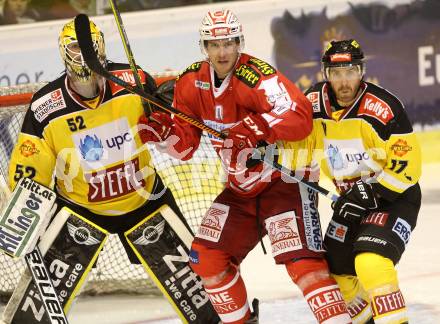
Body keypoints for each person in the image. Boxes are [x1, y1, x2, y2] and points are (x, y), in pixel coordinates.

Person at [138, 9, 352, 324]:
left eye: (228, 43)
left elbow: (300, 117)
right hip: (241, 192)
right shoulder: (189, 84)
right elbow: (184, 148)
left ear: (240, 43)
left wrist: (252, 129)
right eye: (214, 44)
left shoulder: (258, 77)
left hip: (285, 183)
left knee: (303, 265)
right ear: (204, 47)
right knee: (207, 258)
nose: (222, 51)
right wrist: (161, 133)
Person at [7, 17, 218, 323]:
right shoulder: (45, 106)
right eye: (76, 48)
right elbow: (29, 170)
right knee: (32, 313)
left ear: (102, 47)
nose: (84, 55)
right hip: (79, 210)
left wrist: (169, 115)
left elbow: (173, 134)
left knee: (203, 298)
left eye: (89, 47)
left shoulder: (135, 82)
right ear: (63, 51)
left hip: (144, 201)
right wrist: (26, 212)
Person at [304, 39, 421, 323]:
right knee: (333, 274)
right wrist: (265, 147)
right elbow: (297, 145)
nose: (344, 81)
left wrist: (373, 192)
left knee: (371, 262)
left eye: (351, 72)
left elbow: (408, 166)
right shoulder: (312, 103)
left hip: (393, 198)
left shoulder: (384, 107)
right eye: (337, 73)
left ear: (361, 71)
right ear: (326, 74)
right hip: (350, 201)